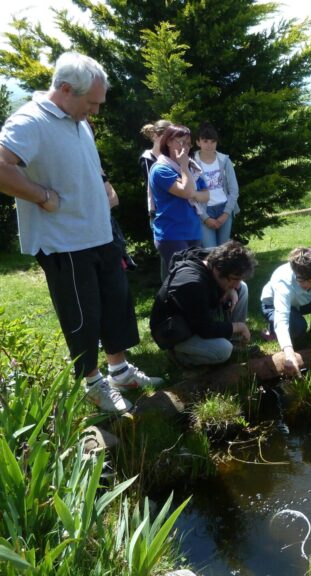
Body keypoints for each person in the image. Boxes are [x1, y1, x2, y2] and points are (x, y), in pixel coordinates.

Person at [0, 51, 162, 413]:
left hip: (100, 232)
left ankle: (119, 371)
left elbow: (85, 161)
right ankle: (91, 385)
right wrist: (42, 195)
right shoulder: (29, 121)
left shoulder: (78, 119)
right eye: (92, 103)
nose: (97, 111)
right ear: (66, 89)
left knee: (115, 306)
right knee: (82, 315)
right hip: (64, 243)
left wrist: (104, 184)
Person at [150, 240, 255, 366]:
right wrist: (238, 326)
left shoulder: (212, 257)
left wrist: (231, 288)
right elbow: (205, 329)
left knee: (242, 288)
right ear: (218, 270)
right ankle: (180, 357)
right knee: (222, 350)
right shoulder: (192, 283)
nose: (237, 283)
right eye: (234, 279)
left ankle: (236, 344)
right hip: (173, 331)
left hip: (194, 320)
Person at [260, 247, 311, 375]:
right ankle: (273, 330)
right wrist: (289, 353)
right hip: (273, 305)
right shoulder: (282, 280)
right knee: (298, 326)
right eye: (301, 280)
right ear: (294, 270)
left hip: (302, 302)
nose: (306, 285)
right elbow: (282, 318)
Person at [149, 123, 210, 279]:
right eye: (181, 142)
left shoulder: (191, 168)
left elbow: (206, 195)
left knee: (198, 277)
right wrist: (183, 165)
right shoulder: (160, 169)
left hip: (193, 231)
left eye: (188, 144)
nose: (186, 148)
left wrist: (192, 192)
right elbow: (188, 191)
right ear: (168, 141)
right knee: (184, 280)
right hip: (172, 234)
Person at [193, 122, 240, 248]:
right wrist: (205, 218)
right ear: (198, 142)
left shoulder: (225, 160)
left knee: (224, 252)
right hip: (204, 211)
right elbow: (191, 195)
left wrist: (226, 213)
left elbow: (234, 190)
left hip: (224, 209)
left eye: (213, 141)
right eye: (205, 141)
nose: (209, 145)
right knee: (210, 251)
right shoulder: (192, 164)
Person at [139, 119, 171, 223]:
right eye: (166, 138)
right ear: (155, 136)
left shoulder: (173, 156)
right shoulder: (147, 159)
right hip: (159, 211)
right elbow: (153, 186)